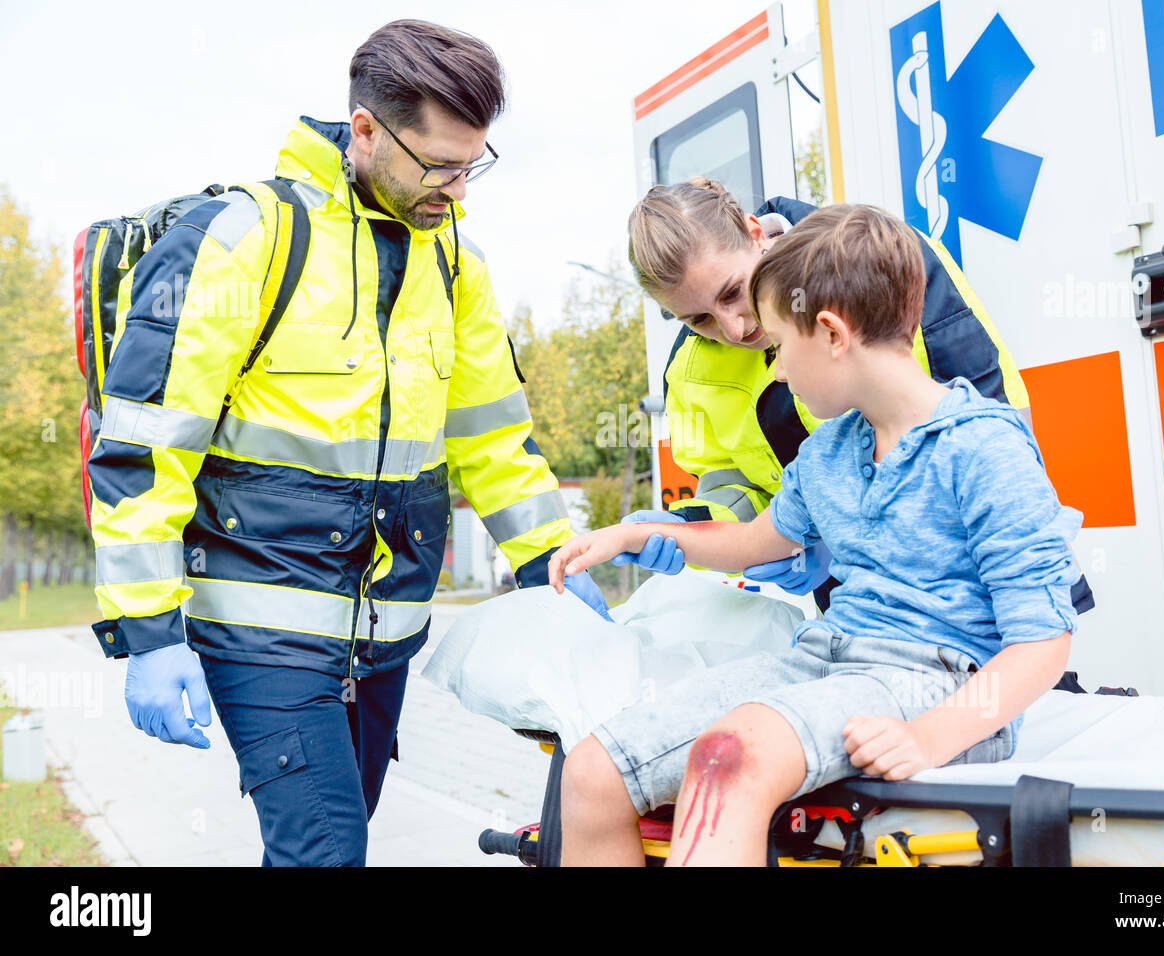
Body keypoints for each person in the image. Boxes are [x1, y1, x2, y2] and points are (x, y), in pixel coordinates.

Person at [86, 19, 608, 866]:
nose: (460, 189)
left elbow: (491, 438)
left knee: (334, 843)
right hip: (258, 626)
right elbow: (148, 444)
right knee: (325, 853)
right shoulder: (244, 239)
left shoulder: (455, 267)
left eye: (474, 163)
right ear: (365, 130)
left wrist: (551, 556)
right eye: (440, 164)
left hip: (382, 636)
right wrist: (148, 633)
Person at [551, 204, 1081, 866]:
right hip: (828, 657)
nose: (772, 369)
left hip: (940, 679)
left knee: (729, 755)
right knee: (592, 769)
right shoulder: (828, 455)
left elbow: (1043, 645)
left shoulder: (986, 451)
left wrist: (928, 739)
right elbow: (752, 543)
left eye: (779, 346)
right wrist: (638, 539)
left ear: (830, 333)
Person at [617, 180, 1091, 619]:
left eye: (734, 293)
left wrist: (855, 540)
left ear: (753, 231)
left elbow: (990, 421)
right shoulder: (690, 374)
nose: (736, 329)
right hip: (862, 602)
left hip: (981, 565)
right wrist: (689, 528)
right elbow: (731, 489)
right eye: (698, 319)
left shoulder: (879, 264)